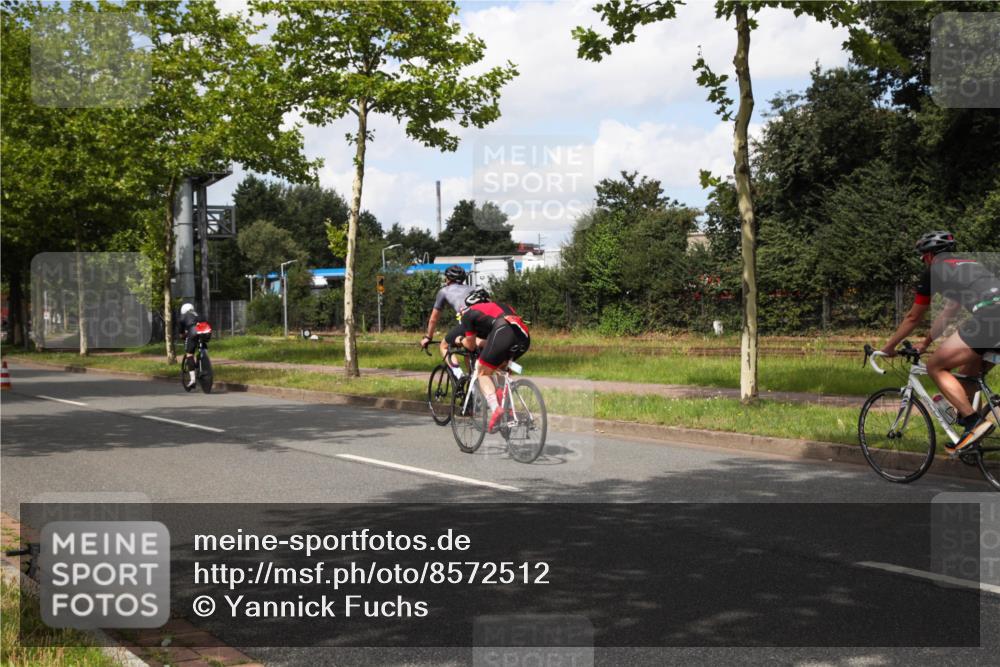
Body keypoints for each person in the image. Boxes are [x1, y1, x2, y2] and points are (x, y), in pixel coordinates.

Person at [880, 231, 1000, 452]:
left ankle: (973, 422)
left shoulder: (933, 271)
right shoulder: (969, 265)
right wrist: (926, 343)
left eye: (923, 258)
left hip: (990, 316)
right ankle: (972, 439)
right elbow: (948, 312)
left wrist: (888, 347)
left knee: (935, 366)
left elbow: (913, 317)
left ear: (928, 256)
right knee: (967, 376)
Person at [458, 289, 531, 433]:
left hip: (503, 330)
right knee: (501, 368)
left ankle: (495, 408)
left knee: (482, 372)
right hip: (524, 334)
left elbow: (470, 345)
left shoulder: (468, 314)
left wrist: (460, 340)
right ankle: (508, 408)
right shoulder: (502, 306)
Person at [420, 265, 474, 376]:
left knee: (444, 346)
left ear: (448, 279)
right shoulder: (473, 288)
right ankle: (474, 381)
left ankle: (458, 375)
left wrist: (428, 337)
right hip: (485, 323)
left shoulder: (444, 291)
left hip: (467, 323)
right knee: (470, 351)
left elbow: (433, 319)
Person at [178, 303, 209, 387]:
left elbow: (181, 333)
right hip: (206, 329)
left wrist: (183, 336)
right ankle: (204, 356)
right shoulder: (199, 314)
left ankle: (192, 380)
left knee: (189, 354)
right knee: (202, 343)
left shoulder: (183, 317)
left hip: (193, 331)